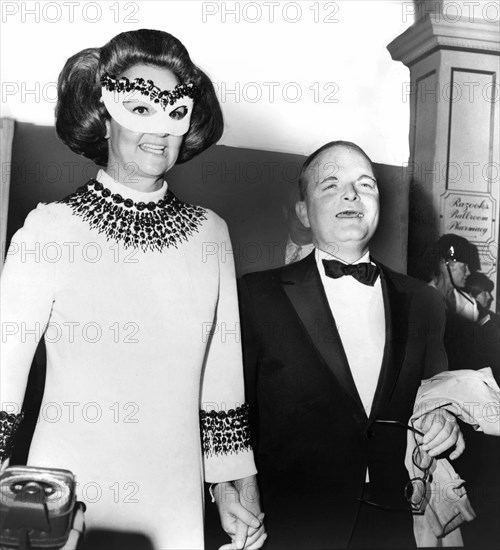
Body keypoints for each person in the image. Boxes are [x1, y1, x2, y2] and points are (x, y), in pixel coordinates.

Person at [0, 29, 266, 550]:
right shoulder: (50, 230)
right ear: (105, 115)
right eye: (139, 108)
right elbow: (1, 380)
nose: (159, 131)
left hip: (175, 496)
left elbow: (222, 379)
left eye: (175, 111)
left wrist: (234, 490)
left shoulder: (211, 233)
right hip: (68, 501)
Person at [238, 141, 464, 549]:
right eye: (331, 185)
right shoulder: (256, 296)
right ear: (304, 211)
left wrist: (446, 424)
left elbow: (438, 397)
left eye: (366, 184)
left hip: (395, 521)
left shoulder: (424, 302)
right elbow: (231, 412)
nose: (351, 195)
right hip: (292, 524)